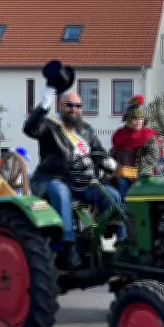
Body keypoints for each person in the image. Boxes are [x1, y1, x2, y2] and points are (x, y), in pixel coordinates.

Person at [23, 87, 121, 270]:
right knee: (60, 192)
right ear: (60, 106)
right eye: (69, 105)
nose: (74, 109)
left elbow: (97, 152)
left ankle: (110, 240)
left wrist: (107, 161)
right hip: (52, 178)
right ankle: (68, 245)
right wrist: (44, 106)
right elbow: (29, 128)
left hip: (82, 183)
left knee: (112, 196)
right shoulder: (48, 126)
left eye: (78, 106)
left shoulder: (86, 129)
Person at [110, 95, 160, 198]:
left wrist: (137, 168)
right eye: (134, 118)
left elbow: (154, 154)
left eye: (140, 118)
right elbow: (114, 153)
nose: (138, 121)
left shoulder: (148, 135)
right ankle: (122, 211)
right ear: (128, 120)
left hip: (143, 173)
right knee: (119, 187)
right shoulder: (119, 135)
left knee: (140, 194)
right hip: (123, 173)